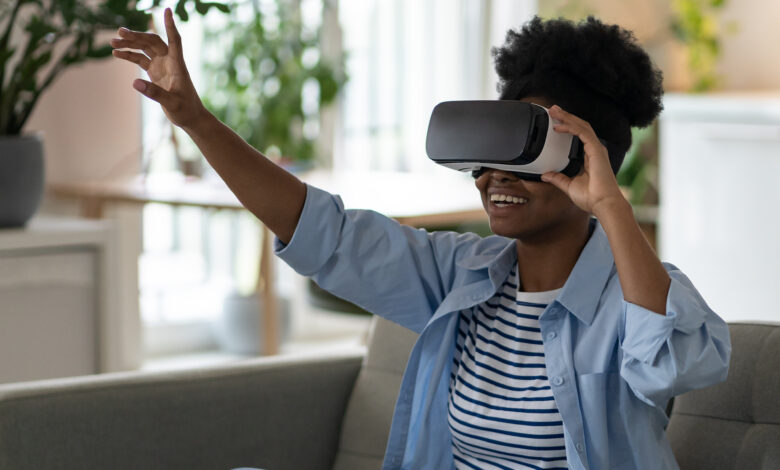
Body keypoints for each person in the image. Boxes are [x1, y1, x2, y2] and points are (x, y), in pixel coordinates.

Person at [112, 10, 730, 470]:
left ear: (587, 160)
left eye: (523, 154)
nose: (492, 177)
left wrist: (610, 205)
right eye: (487, 156)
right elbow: (322, 233)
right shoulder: (462, 274)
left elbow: (668, 366)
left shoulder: (639, 295)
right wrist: (194, 118)